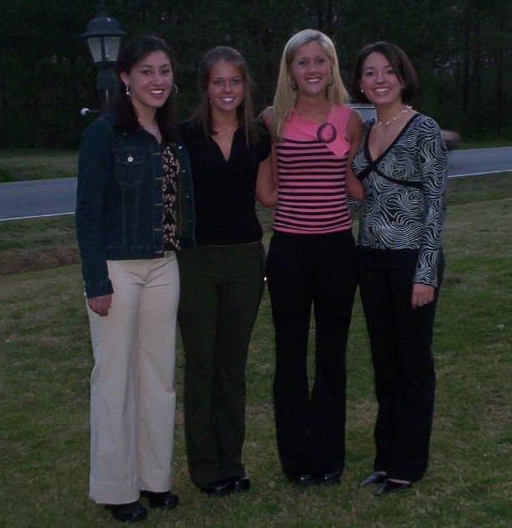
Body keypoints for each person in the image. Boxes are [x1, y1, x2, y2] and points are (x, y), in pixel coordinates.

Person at [75, 35, 194, 523]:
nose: (157, 80)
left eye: (164, 71)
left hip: (164, 265)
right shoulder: (104, 134)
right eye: (146, 71)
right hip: (117, 269)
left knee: (158, 377)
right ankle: (116, 487)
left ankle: (154, 480)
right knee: (115, 379)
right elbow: (88, 214)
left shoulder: (171, 135)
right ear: (125, 77)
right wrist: (95, 282)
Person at [262, 29, 362, 486]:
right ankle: (296, 460)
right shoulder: (272, 120)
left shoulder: (349, 120)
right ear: (290, 70)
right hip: (289, 250)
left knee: (331, 354)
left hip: (337, 249)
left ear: (332, 66)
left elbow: (354, 185)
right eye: (302, 62)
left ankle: (328, 458)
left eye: (320, 60)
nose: (312, 69)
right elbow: (268, 192)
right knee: (290, 354)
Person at [348, 41, 447, 495]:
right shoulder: (367, 128)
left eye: (388, 70)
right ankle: (385, 459)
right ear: (360, 83)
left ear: (403, 76)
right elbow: (361, 196)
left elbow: (436, 204)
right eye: (370, 73)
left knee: (412, 364)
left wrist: (425, 273)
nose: (380, 80)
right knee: (384, 365)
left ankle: (408, 464)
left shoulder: (423, 128)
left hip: (411, 260)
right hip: (370, 258)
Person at [177, 46, 275, 497]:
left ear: (245, 85)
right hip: (196, 261)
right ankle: (205, 467)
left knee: (232, 366)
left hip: (245, 261)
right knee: (202, 364)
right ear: (205, 87)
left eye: (234, 81)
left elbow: (268, 195)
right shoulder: (182, 137)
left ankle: (232, 461)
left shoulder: (259, 137)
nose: (227, 90)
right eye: (218, 82)